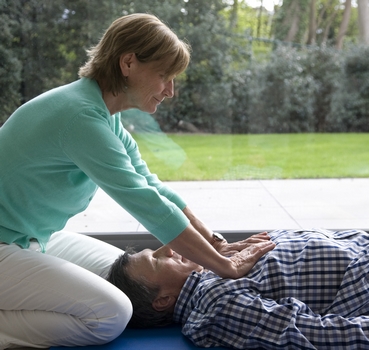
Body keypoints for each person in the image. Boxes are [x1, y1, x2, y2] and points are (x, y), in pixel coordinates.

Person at [0, 13, 274, 348]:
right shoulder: (81, 117)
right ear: (128, 62)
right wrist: (225, 267)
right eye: (164, 75)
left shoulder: (101, 114)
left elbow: (152, 187)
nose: (170, 90)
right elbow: (146, 205)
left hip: (34, 238)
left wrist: (215, 244)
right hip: (4, 245)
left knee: (123, 275)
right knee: (111, 313)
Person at [108, 228, 369, 349]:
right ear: (163, 300)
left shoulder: (212, 269)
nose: (169, 248)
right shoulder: (215, 306)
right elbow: (313, 334)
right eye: (157, 259)